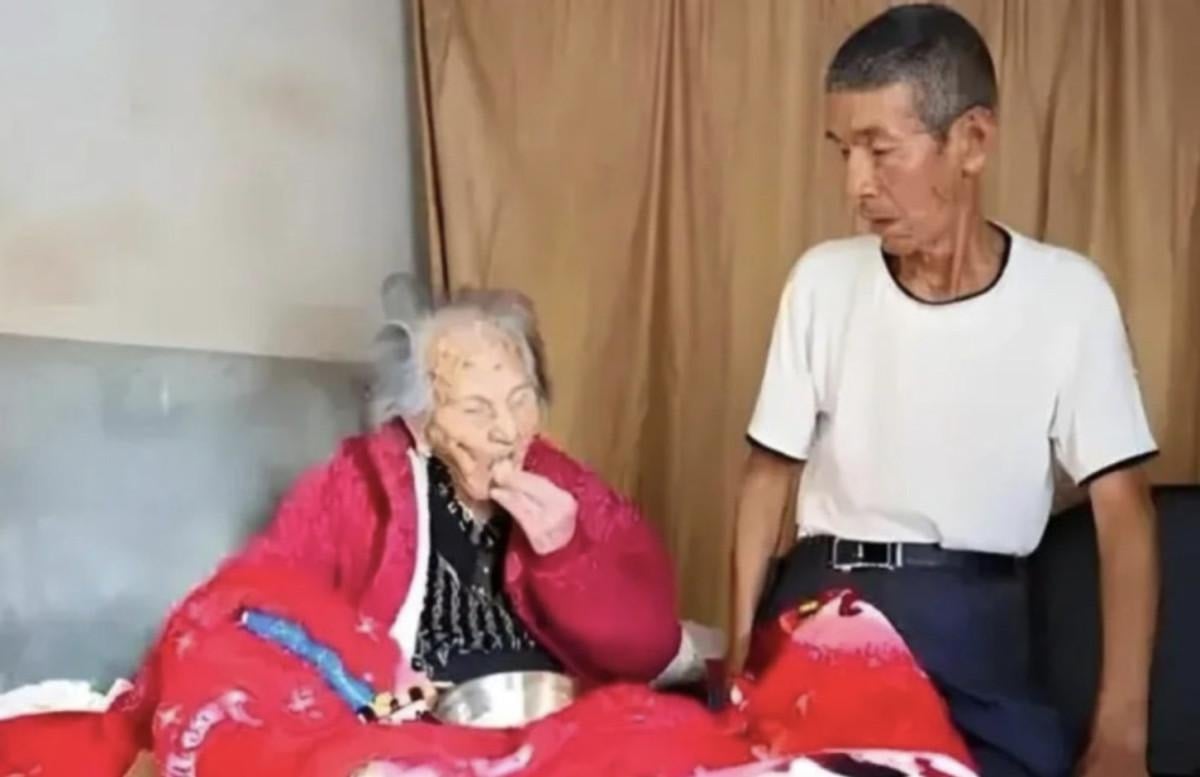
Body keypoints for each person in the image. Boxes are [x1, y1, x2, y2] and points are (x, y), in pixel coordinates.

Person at [727, 5, 1158, 777]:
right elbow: (767, 480)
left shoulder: (1069, 298)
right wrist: (734, 666)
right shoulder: (821, 283)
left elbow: (1125, 516)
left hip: (978, 634)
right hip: (828, 612)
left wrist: (1123, 734)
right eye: (843, 152)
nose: (857, 185)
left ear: (973, 141)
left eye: (880, 150)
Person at [234, 285, 682, 688]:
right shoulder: (358, 485)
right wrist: (373, 674)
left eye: (520, 400)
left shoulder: (566, 486)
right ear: (420, 422)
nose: (508, 431)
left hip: (556, 716)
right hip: (417, 725)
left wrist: (567, 558)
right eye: (475, 410)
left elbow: (653, 649)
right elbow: (264, 605)